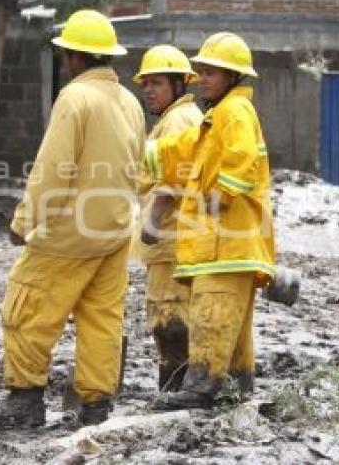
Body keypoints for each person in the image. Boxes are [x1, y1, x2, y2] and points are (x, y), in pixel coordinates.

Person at [0, 9, 145, 429]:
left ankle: (26, 400)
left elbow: (53, 168)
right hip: (115, 231)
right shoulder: (129, 101)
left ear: (73, 56)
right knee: (101, 318)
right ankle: (95, 406)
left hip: (71, 232)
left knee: (28, 305)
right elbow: (137, 166)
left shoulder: (75, 97)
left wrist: (23, 222)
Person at [143, 32, 276, 409]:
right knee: (235, 325)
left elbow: (241, 156)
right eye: (200, 71)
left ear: (234, 77)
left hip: (226, 242)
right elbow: (181, 149)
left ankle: (201, 387)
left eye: (211, 73)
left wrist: (223, 194)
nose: (202, 78)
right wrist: (145, 153)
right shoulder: (215, 117)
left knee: (211, 313)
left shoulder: (234, 112)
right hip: (232, 245)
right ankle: (237, 385)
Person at [131, 45, 203, 392]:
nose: (148, 91)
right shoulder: (180, 118)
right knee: (175, 317)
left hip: (171, 241)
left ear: (178, 84)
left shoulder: (177, 120)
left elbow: (174, 177)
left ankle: (176, 390)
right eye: (145, 84)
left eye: (156, 83)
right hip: (176, 242)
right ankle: (180, 387)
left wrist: (153, 223)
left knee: (170, 318)